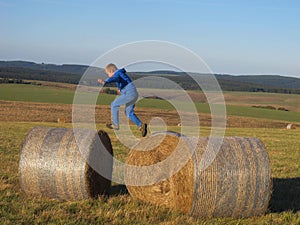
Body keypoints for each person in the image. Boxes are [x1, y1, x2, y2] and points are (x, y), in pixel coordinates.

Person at [98, 63, 147, 137]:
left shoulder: (117, 73)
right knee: (129, 113)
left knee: (114, 104)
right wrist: (120, 89)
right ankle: (141, 126)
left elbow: (114, 78)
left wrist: (106, 81)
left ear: (111, 71)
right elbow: (122, 81)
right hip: (134, 94)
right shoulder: (121, 74)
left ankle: (115, 124)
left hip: (129, 94)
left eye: (108, 74)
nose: (108, 75)